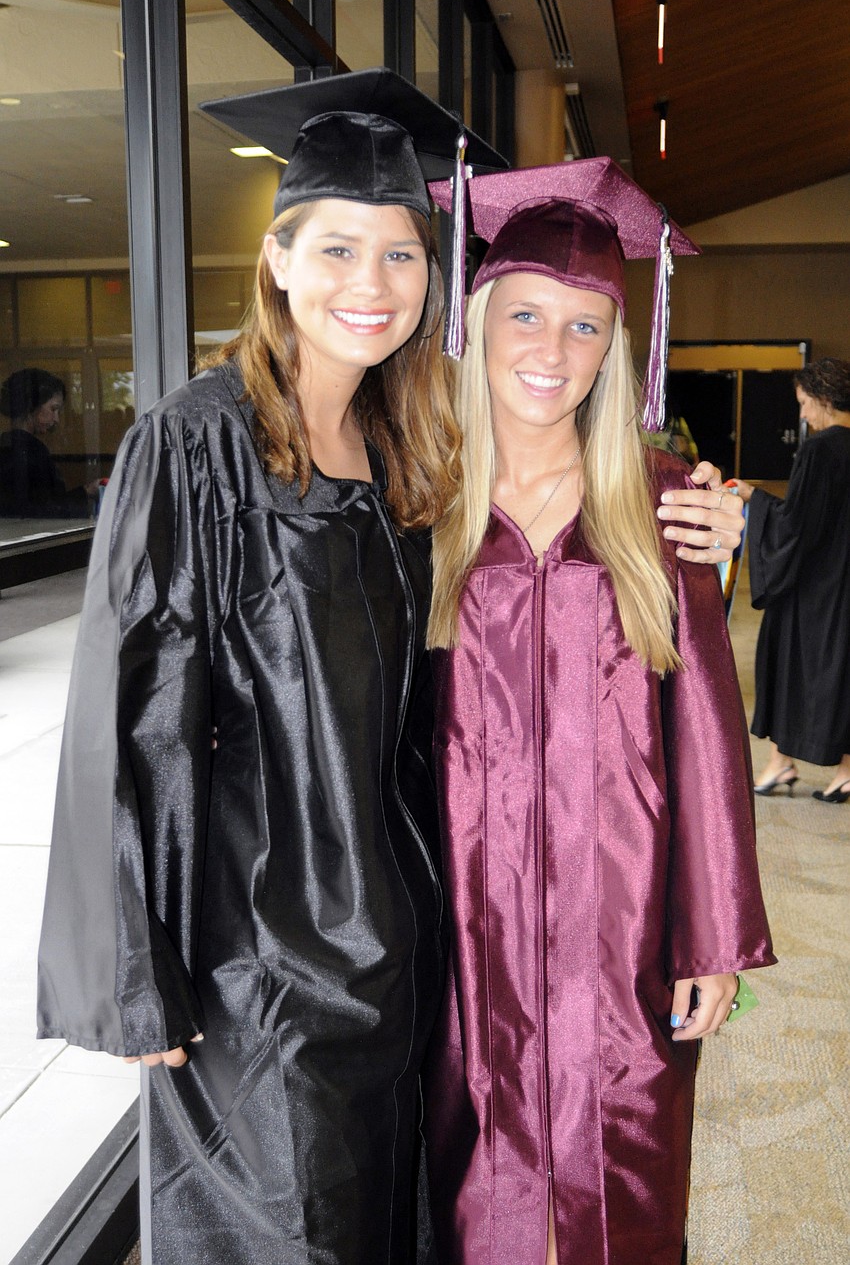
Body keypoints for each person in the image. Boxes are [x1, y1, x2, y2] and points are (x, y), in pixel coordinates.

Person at [36, 72, 743, 1264]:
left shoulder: (406, 460)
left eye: (403, 256)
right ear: (276, 260)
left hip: (400, 933)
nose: (372, 285)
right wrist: (127, 969)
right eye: (339, 250)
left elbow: (687, 723)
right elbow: (134, 705)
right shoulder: (216, 444)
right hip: (262, 942)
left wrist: (734, 523)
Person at [422, 162, 775, 1265]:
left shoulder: (660, 505)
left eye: (585, 325)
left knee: (621, 1191)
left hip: (616, 936)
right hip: (453, 940)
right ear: (475, 322)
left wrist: (709, 934)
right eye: (524, 314)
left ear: (616, 345)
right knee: (459, 1190)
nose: (550, 350)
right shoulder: (416, 506)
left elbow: (709, 734)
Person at [736, 358, 850, 803]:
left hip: (814, 587)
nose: (803, 415)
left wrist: (752, 497)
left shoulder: (820, 450)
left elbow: (795, 526)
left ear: (822, 398)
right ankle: (843, 769)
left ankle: (781, 761)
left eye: (804, 404)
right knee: (840, 673)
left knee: (785, 663)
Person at [0, 368, 99, 518]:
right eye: (53, 409)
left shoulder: (6, 445)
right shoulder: (33, 452)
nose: (56, 419)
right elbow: (46, 510)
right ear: (32, 406)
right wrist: (85, 493)